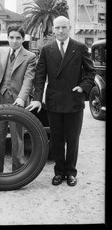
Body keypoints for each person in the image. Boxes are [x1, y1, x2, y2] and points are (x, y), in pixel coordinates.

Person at [26, 16, 96, 186]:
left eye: (64, 27)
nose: (60, 31)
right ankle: (59, 172)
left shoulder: (79, 48)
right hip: (54, 101)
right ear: (53, 30)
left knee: (72, 139)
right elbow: (40, 77)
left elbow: (90, 72)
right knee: (56, 139)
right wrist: (37, 99)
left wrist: (82, 87)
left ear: (69, 28)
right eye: (57, 28)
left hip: (73, 100)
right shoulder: (46, 50)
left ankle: (71, 172)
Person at [0, 24, 37, 172]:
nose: (14, 41)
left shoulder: (30, 57)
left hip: (17, 101)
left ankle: (17, 171)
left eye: (18, 38)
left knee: (17, 138)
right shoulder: (0, 51)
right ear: (8, 37)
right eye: (11, 37)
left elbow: (28, 79)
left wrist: (21, 97)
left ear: (23, 39)